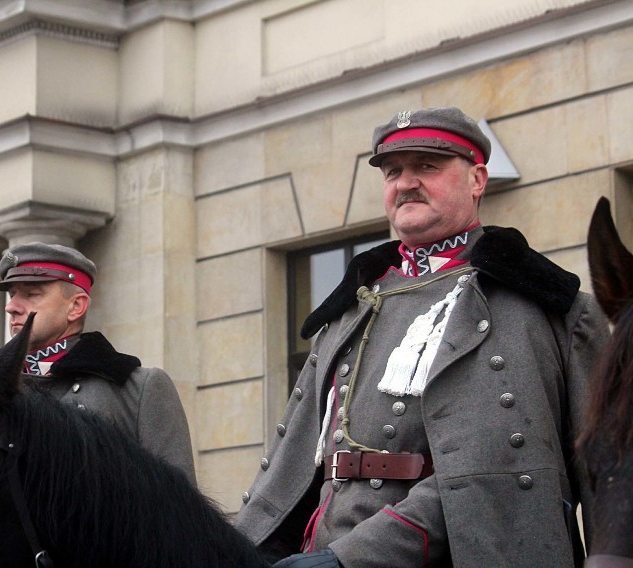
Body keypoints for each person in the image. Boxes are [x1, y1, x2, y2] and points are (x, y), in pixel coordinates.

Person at [235, 107, 609, 567]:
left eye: (426, 167)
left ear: (477, 179)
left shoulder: (551, 309)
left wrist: (346, 560)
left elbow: (603, 478)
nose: (405, 182)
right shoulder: (349, 309)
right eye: (393, 171)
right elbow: (292, 469)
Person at [0, 242, 197, 484]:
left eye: (31, 294)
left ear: (75, 306)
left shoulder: (139, 390)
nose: (11, 307)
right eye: (12, 295)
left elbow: (179, 506)